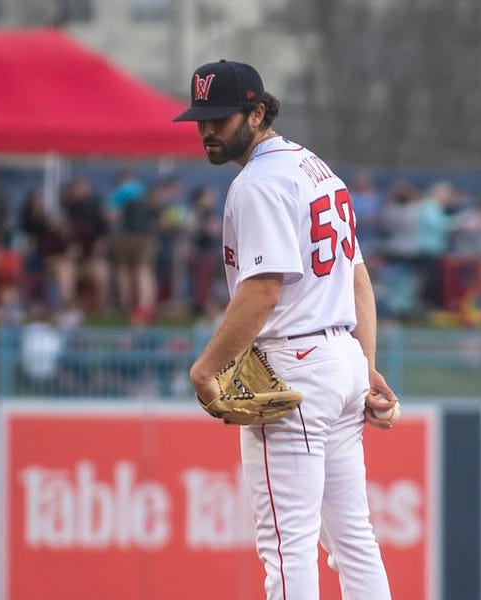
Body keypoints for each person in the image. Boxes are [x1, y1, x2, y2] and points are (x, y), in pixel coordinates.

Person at [178, 60, 395, 599]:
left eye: (222, 118)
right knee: (354, 540)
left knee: (287, 546)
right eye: (202, 119)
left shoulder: (258, 183)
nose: (208, 130)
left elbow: (263, 290)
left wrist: (207, 369)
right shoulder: (316, 169)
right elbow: (358, 277)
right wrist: (363, 367)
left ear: (257, 112)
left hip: (296, 369)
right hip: (340, 360)